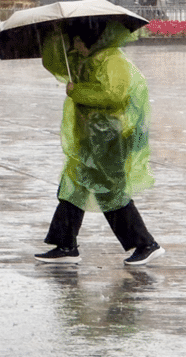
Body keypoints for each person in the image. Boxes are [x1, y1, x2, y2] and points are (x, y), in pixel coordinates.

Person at [34, 21, 163, 266]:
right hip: (91, 136)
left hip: (111, 138)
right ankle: (65, 245)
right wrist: (54, 38)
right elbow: (55, 64)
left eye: (76, 42)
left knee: (111, 192)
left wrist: (77, 92)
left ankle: (145, 243)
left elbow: (114, 95)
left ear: (88, 41)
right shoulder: (87, 60)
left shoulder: (112, 61)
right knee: (74, 188)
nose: (74, 47)